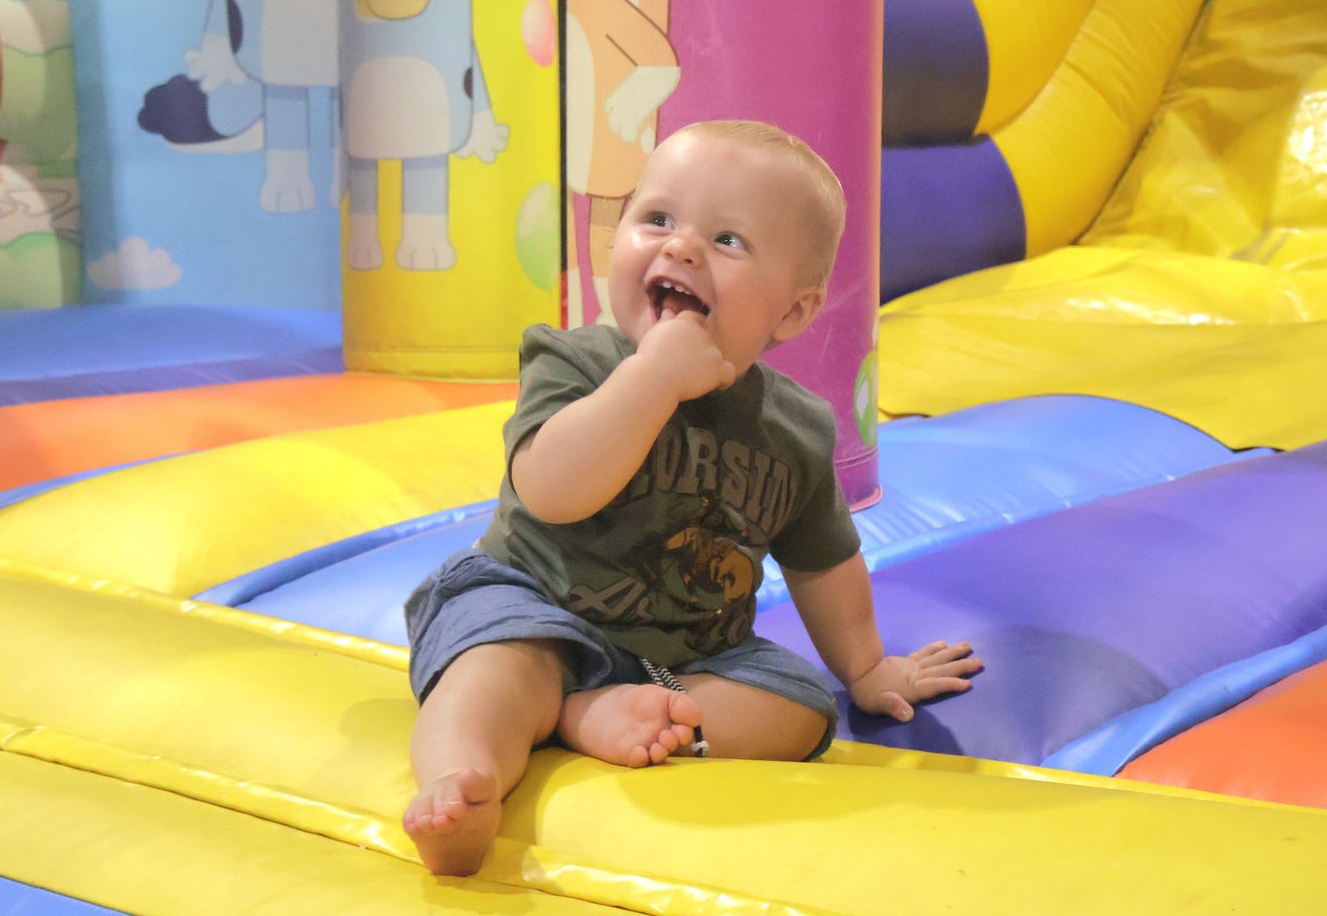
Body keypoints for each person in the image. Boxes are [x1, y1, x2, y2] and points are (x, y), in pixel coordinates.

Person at [400, 120, 983, 876]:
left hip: (682, 662)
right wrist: (653, 380)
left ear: (793, 313)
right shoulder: (575, 359)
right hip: (533, 606)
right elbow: (551, 491)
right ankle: (461, 780)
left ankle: (600, 715)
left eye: (729, 241)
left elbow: (824, 566)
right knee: (489, 666)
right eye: (658, 220)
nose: (680, 249)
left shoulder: (796, 427)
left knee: (801, 703)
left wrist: (869, 669)